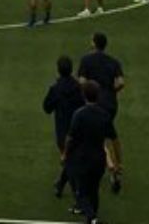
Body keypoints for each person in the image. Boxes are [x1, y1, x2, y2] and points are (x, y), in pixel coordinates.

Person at [76, 32, 127, 193]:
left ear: (94, 44)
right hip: (111, 104)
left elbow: (82, 82)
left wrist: (88, 94)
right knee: (111, 134)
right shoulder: (114, 62)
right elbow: (120, 82)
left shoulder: (86, 60)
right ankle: (119, 164)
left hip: (95, 104)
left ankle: (110, 165)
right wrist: (111, 91)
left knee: (98, 138)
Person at [64, 80, 115, 223]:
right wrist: (114, 161)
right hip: (99, 159)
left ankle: (92, 217)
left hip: (83, 159)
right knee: (94, 190)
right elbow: (112, 139)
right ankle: (91, 218)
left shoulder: (79, 115)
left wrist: (65, 154)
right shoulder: (104, 115)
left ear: (83, 95)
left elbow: (70, 137)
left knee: (80, 193)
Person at [43, 56, 85, 201]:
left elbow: (46, 108)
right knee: (70, 161)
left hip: (62, 132)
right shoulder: (78, 87)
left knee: (70, 162)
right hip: (78, 130)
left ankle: (77, 196)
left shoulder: (55, 89)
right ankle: (62, 185)